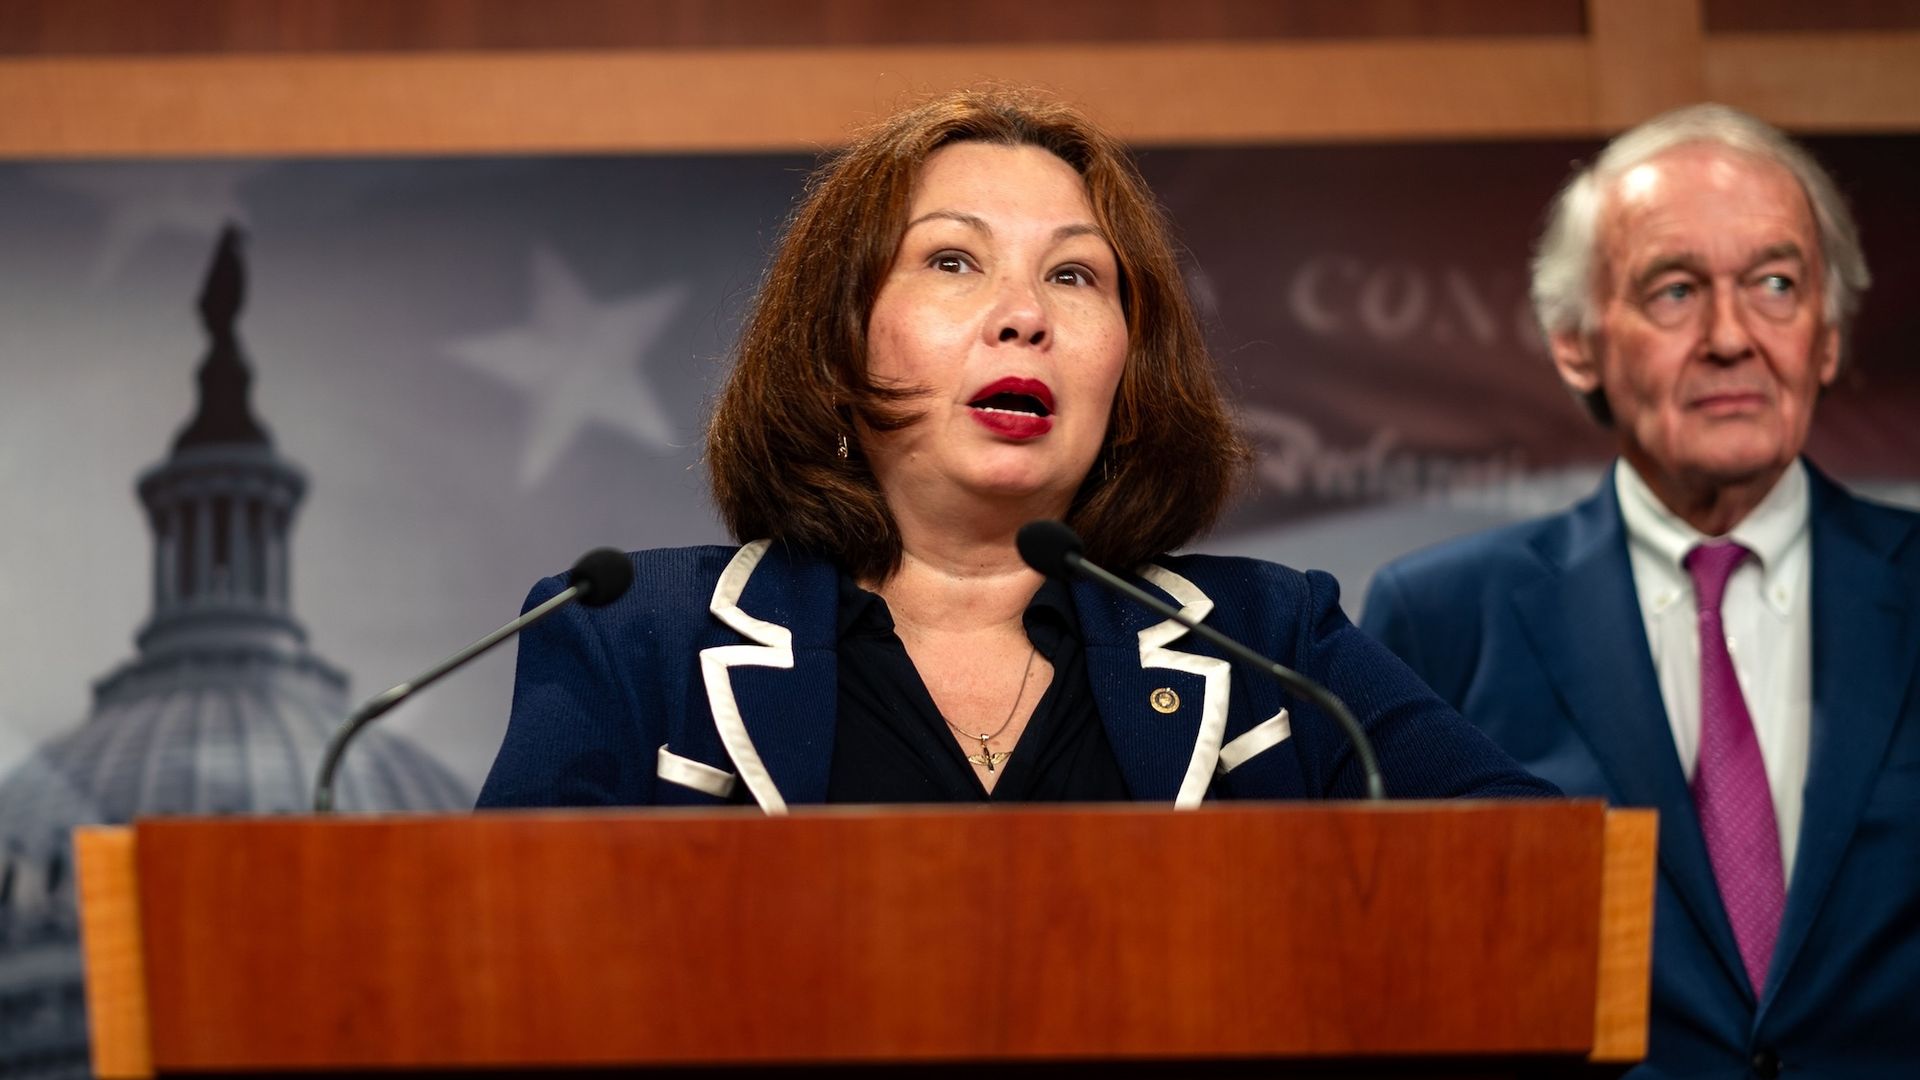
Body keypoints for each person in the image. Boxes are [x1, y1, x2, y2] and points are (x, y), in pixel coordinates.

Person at [480, 88, 1552, 812]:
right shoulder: (633, 645)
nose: (1023, 314)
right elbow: (496, 960)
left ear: (1128, 379)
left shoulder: (1275, 645)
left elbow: (1536, 879)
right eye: (952, 262)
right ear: (835, 345)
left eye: (1076, 275)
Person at [1361, 104, 1918, 1078]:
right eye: (1674, 292)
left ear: (1826, 336)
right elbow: (1398, 982)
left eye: (1777, 285)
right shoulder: (1441, 620)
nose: (1731, 337)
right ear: (1577, 342)